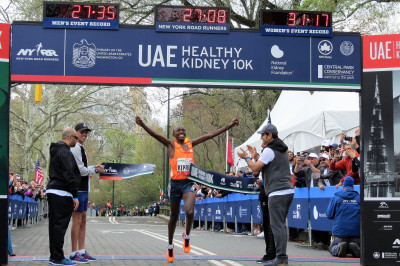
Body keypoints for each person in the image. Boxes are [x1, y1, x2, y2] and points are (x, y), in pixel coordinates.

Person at [136, 116, 239, 263]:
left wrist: (228, 126)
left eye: (183, 129)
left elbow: (210, 135)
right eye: (178, 130)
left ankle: (187, 236)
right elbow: (155, 135)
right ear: (174, 135)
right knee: (174, 216)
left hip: (188, 182)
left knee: (190, 211)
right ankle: (170, 245)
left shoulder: (191, 144)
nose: (181, 131)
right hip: (175, 185)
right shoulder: (171, 145)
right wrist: (143, 124)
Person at [237, 123, 294, 266]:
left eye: (262, 135)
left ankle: (281, 258)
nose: (261, 138)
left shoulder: (269, 150)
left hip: (277, 191)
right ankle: (280, 257)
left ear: (269, 135)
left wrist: (246, 158)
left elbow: (255, 169)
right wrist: (254, 155)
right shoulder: (280, 148)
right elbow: (264, 166)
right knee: (280, 225)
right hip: (287, 190)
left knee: (277, 226)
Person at [70, 122, 104, 263]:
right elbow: (80, 170)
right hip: (77, 188)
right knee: (77, 221)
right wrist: (95, 169)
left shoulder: (81, 148)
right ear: (75, 133)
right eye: (82, 132)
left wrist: (95, 167)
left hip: (84, 188)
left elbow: (83, 168)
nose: (84, 134)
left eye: (86, 132)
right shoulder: (75, 148)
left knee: (83, 220)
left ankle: (82, 251)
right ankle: (73, 253)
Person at [46, 127, 80, 265]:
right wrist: (75, 195)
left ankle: (54, 256)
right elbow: (68, 174)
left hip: (53, 190)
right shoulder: (65, 152)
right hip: (62, 191)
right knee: (60, 225)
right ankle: (58, 257)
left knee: (54, 226)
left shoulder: (55, 150)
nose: (77, 141)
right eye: (76, 138)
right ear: (70, 137)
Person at [326, 176, 360, 258]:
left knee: (332, 248)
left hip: (340, 232)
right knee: (359, 245)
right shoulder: (359, 198)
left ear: (343, 185)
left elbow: (329, 215)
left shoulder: (336, 197)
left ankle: (338, 247)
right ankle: (357, 248)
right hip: (356, 233)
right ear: (353, 185)